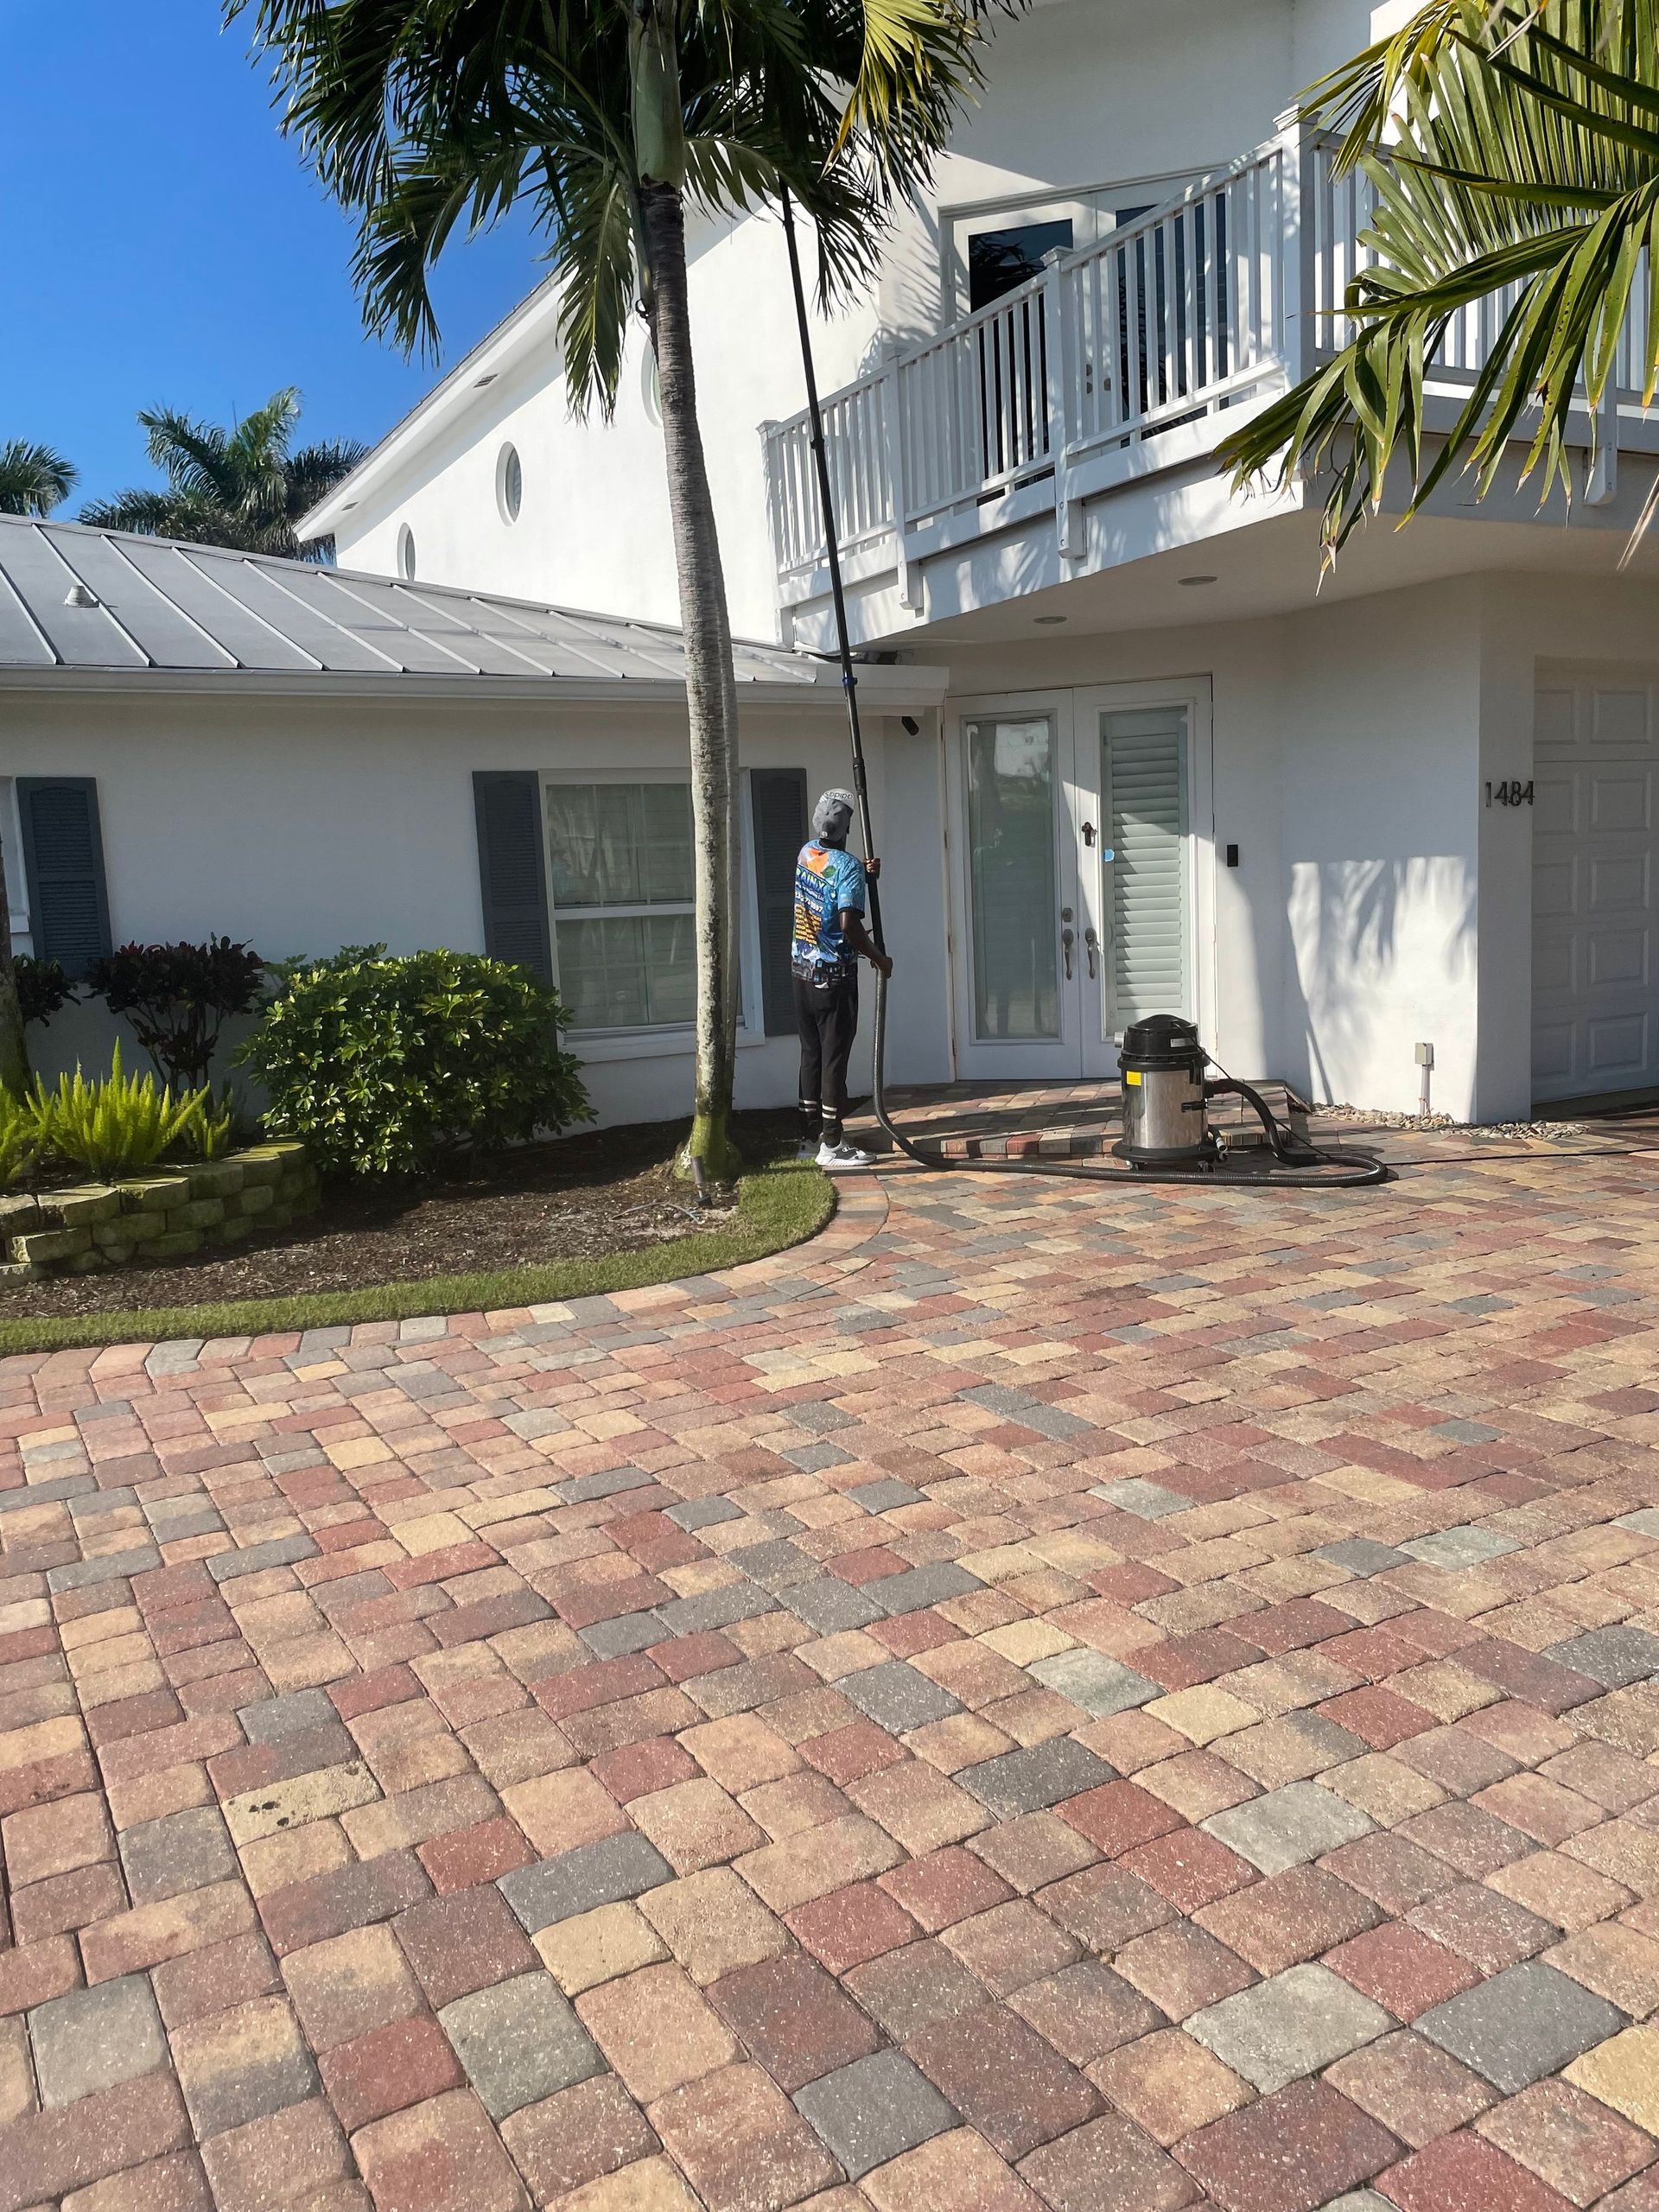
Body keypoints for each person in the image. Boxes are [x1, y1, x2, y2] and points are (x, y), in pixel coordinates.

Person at [792, 787, 893, 1169]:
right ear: (847, 823)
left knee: (811, 1054)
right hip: (833, 978)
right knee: (835, 1059)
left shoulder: (805, 853)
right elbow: (849, 925)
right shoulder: (847, 866)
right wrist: (879, 959)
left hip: (801, 972)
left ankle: (809, 1135)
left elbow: (829, 874)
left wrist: (865, 877)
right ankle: (832, 1146)